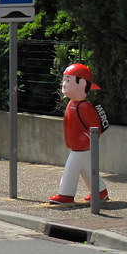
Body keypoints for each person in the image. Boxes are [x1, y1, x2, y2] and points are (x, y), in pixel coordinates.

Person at [50, 63, 107, 204]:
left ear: (81, 83)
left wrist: (84, 140)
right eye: (64, 79)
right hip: (78, 146)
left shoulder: (85, 107)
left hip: (81, 147)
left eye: (68, 80)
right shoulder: (72, 104)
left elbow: (95, 127)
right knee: (88, 169)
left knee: (72, 167)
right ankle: (100, 192)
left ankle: (66, 195)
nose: (64, 84)